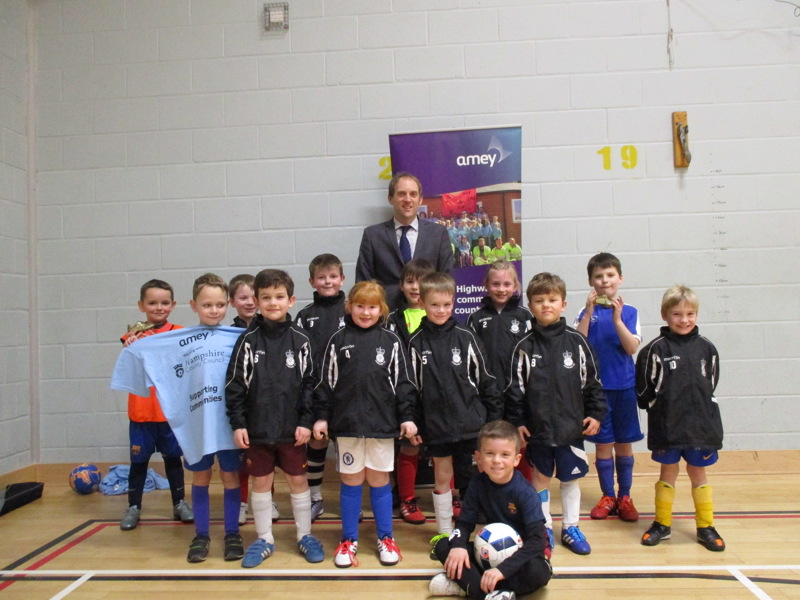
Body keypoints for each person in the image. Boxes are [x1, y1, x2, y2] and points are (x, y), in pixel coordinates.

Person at [313, 281, 418, 568]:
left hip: (382, 426)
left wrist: (406, 417)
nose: (365, 312)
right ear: (349, 306)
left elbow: (403, 384)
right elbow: (326, 384)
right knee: (351, 480)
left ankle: (386, 537)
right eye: (359, 305)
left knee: (379, 480)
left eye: (372, 307)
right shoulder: (337, 340)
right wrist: (322, 417)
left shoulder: (392, 341)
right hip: (346, 426)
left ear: (381, 309)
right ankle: (349, 540)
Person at [225, 269, 325, 567]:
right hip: (257, 430)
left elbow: (312, 385)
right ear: (256, 301)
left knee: (298, 482)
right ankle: (264, 538)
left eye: (279, 297)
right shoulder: (247, 341)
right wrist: (239, 423)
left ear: (291, 300)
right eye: (266, 297)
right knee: (260, 483)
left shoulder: (301, 340)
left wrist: (306, 421)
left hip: (293, 431)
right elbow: (235, 385)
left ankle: (305, 535)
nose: (272, 302)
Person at [506, 272, 606, 556]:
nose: (545, 305)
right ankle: (543, 527)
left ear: (563, 304)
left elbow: (593, 383)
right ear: (530, 304)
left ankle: (571, 527)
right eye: (539, 301)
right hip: (537, 429)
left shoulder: (577, 342)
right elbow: (515, 390)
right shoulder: (523, 346)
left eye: (552, 300)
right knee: (539, 477)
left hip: (571, 428)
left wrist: (596, 414)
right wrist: (518, 422)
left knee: (570, 478)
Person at [408, 272, 503, 537]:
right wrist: (414, 423)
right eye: (434, 305)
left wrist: (493, 421)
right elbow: (411, 389)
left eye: (446, 305)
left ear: (454, 302)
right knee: (442, 477)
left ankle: (485, 532)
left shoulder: (466, 337)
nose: (441, 310)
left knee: (478, 478)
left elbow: (487, 380)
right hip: (436, 426)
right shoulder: (415, 343)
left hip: (471, 424)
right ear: (423, 304)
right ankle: (444, 532)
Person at [636, 285, 725, 552]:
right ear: (665, 315)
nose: (684, 320)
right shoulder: (654, 350)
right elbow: (643, 390)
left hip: (701, 426)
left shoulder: (707, 348)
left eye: (690, 314)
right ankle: (662, 524)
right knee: (668, 472)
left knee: (699, 472)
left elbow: (711, 384)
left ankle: (706, 526)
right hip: (668, 426)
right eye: (677, 314)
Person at [429, 420, 552, 600]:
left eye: (504, 454)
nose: (496, 461)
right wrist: (458, 546)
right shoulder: (477, 484)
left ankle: (470, 587)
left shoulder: (525, 493)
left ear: (516, 459)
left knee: (539, 572)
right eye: (489, 454)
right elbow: (464, 524)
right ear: (478, 458)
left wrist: (502, 570)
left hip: (521, 557)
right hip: (488, 552)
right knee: (443, 546)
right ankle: (493, 593)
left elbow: (537, 541)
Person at [573, 253, 643, 523]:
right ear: (591, 281)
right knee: (603, 445)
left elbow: (631, 347)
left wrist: (616, 319)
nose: (605, 281)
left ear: (620, 278)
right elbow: (578, 343)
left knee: (623, 445)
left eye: (610, 275)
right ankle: (608, 496)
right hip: (597, 392)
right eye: (599, 277)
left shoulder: (630, 312)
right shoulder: (585, 311)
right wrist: (589, 312)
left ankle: (625, 496)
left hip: (624, 388)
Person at [118, 279, 193, 531]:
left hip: (170, 415)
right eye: (152, 303)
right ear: (141, 305)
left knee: (173, 461)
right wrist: (130, 343)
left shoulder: (180, 333)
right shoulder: (133, 335)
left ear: (173, 305)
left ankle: (179, 503)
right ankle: (134, 506)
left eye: (164, 302)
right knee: (139, 463)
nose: (158, 307)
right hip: (141, 414)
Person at [466, 261, 533, 482]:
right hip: (487, 396)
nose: (501, 289)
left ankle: (522, 491)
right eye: (495, 284)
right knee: (489, 446)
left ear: (515, 285)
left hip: (517, 395)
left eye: (507, 284)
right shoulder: (475, 319)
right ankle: (486, 494)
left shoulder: (525, 317)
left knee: (518, 444)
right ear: (486, 284)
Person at [294, 253, 347, 522]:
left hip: (347, 393)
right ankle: (315, 498)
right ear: (312, 281)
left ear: (342, 279)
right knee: (317, 442)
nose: (328, 281)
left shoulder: (353, 309)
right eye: (322, 277)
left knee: (346, 446)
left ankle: (350, 502)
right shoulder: (304, 317)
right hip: (316, 392)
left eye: (333, 276)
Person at [355, 172, 453, 309]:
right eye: (401, 194)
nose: (408, 199)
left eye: (413, 194)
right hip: (385, 317)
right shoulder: (372, 235)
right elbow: (363, 283)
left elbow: (446, 280)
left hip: (427, 319)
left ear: (420, 199)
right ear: (390, 198)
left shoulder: (438, 234)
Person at [385, 259, 435, 525]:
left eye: (420, 281)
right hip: (408, 396)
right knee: (410, 446)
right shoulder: (393, 320)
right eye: (410, 281)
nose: (416, 287)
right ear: (401, 285)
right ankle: (406, 498)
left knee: (443, 448)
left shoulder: (439, 314)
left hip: (437, 395)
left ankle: (449, 496)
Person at [227, 273, 270, 527]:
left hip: (265, 407)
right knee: (243, 460)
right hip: (243, 408)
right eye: (242, 297)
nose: (249, 302)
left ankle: (269, 501)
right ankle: (243, 503)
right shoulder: (227, 333)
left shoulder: (271, 329)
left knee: (266, 461)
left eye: (252, 297)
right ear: (232, 301)